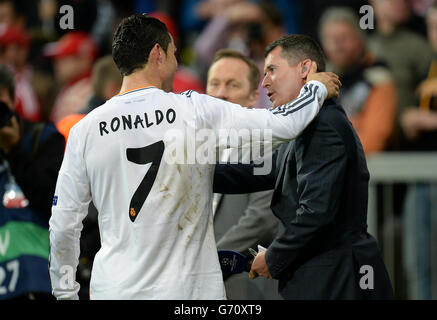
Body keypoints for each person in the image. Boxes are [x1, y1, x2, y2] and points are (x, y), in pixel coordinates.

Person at [48, 14, 340, 300]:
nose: (177, 65)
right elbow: (284, 125)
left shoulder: (84, 130)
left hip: (114, 290)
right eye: (174, 54)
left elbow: (63, 223)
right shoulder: (194, 110)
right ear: (157, 54)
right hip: (188, 292)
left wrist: (64, 293)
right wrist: (314, 87)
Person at [214, 34, 394, 299]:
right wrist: (199, 172)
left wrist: (274, 257)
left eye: (272, 71)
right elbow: (263, 170)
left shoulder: (322, 125)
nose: (264, 83)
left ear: (305, 70)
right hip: (326, 277)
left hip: (338, 281)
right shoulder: (304, 125)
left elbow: (315, 213)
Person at [206, 49, 281, 299]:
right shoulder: (193, 148)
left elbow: (261, 218)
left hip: (245, 282)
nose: (220, 93)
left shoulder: (267, 144)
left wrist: (208, 262)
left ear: (252, 97)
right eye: (214, 84)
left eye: (232, 84)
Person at [0, 65, 64, 299]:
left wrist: (14, 150)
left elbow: (52, 202)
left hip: (38, 279)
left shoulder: (43, 138)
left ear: (11, 96)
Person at [319, 7, 397, 155]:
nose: (338, 45)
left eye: (344, 38)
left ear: (360, 40)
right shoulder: (320, 79)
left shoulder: (379, 77)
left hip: (372, 169)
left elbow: (374, 139)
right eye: (331, 39)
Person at [400, 3, 437, 300]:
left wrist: (426, 120)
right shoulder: (429, 67)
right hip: (420, 176)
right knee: (418, 263)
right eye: (433, 28)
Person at [44, 31, 98, 124]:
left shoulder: (87, 91)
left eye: (64, 59)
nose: (57, 65)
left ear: (83, 60)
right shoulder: (71, 85)